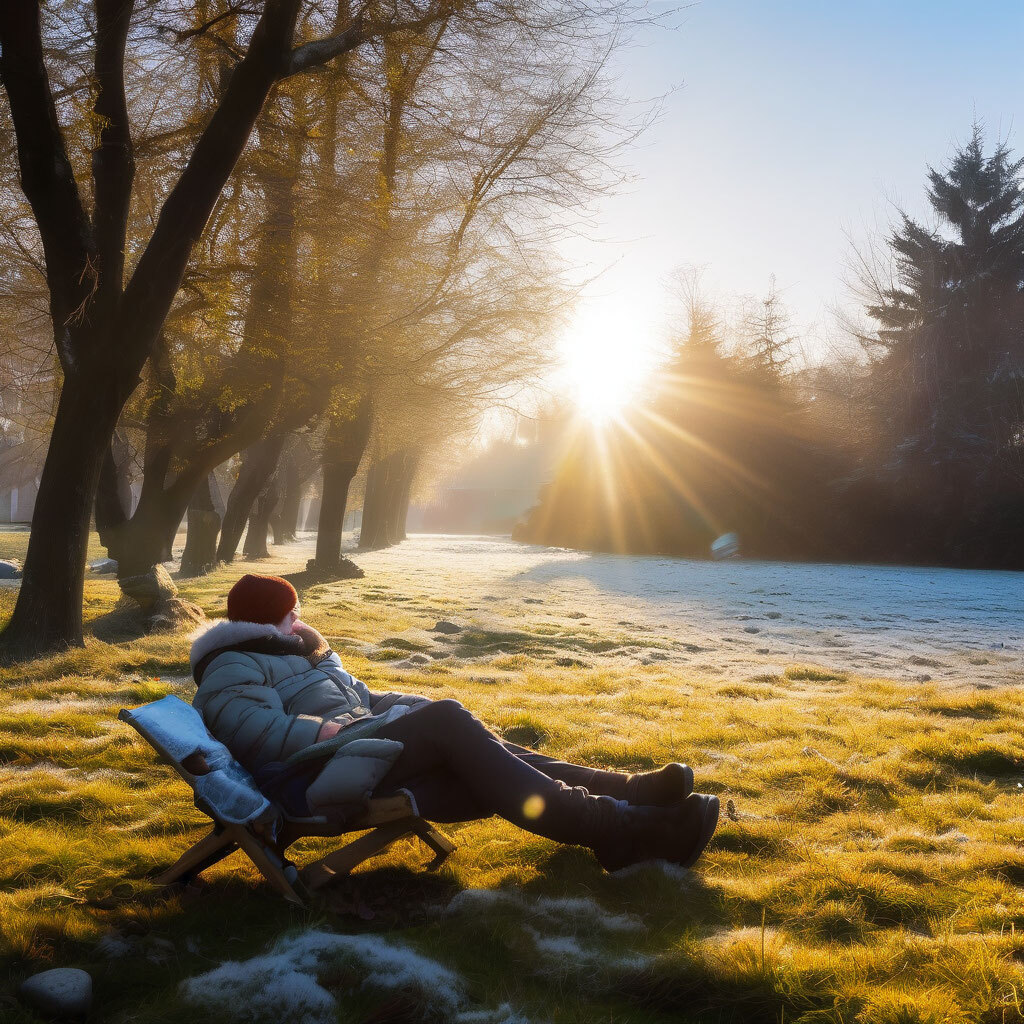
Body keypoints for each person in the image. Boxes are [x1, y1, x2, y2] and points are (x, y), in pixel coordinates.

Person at [190, 572, 719, 872]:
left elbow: (363, 697)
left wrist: (411, 704)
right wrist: (324, 732)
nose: (299, 621)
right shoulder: (231, 665)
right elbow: (251, 731)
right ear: (264, 620)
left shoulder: (298, 654)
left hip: (356, 748)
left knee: (468, 736)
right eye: (291, 613)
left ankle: (625, 793)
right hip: (319, 774)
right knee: (451, 724)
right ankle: (616, 831)